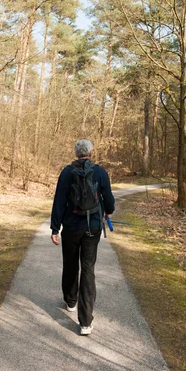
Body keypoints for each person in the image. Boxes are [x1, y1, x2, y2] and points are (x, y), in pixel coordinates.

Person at [50, 139, 115, 335]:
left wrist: (55, 228)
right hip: (92, 227)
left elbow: (59, 201)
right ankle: (86, 322)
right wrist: (108, 212)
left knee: (70, 263)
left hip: (70, 227)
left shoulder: (66, 172)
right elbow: (109, 198)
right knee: (88, 269)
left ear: (76, 153)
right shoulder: (100, 172)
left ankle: (71, 301)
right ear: (91, 152)